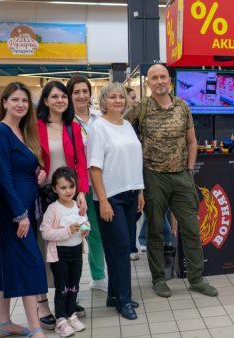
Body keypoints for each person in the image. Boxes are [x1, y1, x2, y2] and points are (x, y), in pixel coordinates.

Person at [126, 64, 217, 298]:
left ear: (170, 81)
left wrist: (189, 170)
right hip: (153, 175)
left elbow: (192, 142)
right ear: (148, 83)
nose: (159, 81)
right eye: (154, 78)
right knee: (156, 230)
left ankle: (196, 279)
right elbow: (120, 130)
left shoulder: (183, 107)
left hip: (181, 176)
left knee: (191, 229)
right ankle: (158, 279)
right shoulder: (140, 109)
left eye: (163, 77)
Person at [0, 82, 48, 337]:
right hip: (14, 212)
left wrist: (39, 172)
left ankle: (3, 322)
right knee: (30, 263)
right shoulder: (0, 132)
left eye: (25, 100)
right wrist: (19, 214)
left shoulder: (24, 131)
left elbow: (24, 167)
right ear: (4, 103)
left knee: (8, 263)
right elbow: (2, 177)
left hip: (27, 208)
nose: (21, 105)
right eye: (15, 100)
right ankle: (35, 327)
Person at [88, 82, 143, 320]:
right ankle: (124, 301)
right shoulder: (98, 127)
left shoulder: (128, 125)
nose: (118, 100)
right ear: (103, 102)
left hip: (131, 194)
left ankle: (114, 294)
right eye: (112, 97)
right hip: (111, 197)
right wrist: (103, 201)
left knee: (121, 247)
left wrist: (140, 191)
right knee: (120, 250)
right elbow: (94, 168)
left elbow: (133, 160)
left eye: (121, 97)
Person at [36, 80, 89, 329]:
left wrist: (81, 192)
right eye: (54, 96)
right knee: (43, 248)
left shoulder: (72, 127)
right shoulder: (35, 126)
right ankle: (43, 302)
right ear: (46, 100)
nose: (60, 100)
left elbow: (80, 161)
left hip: (68, 195)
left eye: (63, 96)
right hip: (42, 195)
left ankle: (67, 299)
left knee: (68, 248)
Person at [67, 75, 108, 292]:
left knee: (100, 231)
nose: (82, 96)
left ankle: (99, 275)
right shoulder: (65, 122)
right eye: (76, 92)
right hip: (78, 187)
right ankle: (84, 281)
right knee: (83, 231)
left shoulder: (99, 117)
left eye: (85, 91)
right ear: (69, 95)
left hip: (102, 183)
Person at [40, 167, 89, 337]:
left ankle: (70, 314)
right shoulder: (53, 209)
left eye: (71, 186)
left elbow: (84, 221)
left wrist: (85, 228)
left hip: (76, 253)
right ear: (54, 189)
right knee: (62, 287)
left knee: (74, 286)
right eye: (63, 187)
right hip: (60, 255)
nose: (68, 191)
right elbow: (45, 232)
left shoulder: (77, 205)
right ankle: (60, 319)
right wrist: (67, 231)